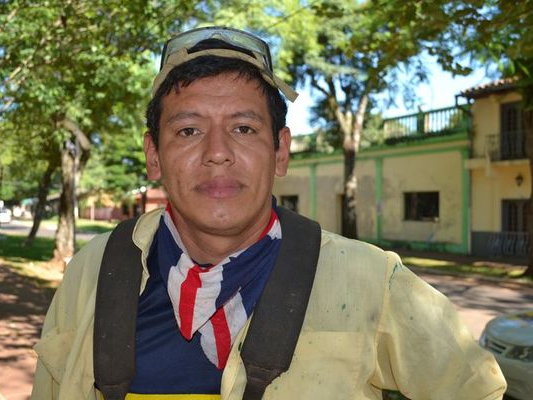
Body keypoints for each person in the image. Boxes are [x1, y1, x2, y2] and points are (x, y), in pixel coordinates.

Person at [31, 26, 506, 400]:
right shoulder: (93, 274)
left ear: (281, 152)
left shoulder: (372, 282)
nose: (218, 152)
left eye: (243, 127)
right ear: (153, 156)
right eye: (189, 131)